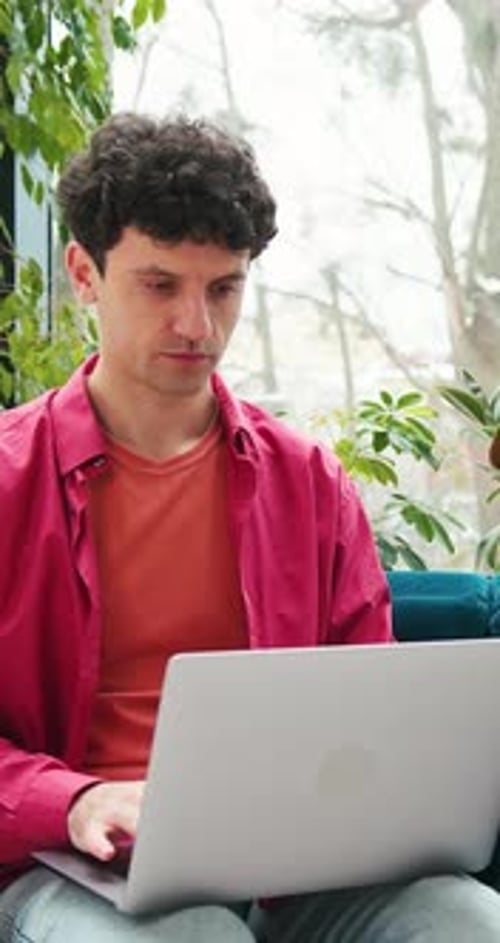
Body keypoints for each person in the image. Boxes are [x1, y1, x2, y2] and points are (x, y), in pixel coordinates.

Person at [0, 112, 499, 943]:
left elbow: (368, 706)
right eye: (160, 284)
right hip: (69, 863)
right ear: (84, 273)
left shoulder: (309, 481)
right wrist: (76, 796)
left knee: (468, 921)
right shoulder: (8, 478)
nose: (197, 324)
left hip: (294, 870)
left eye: (224, 287)